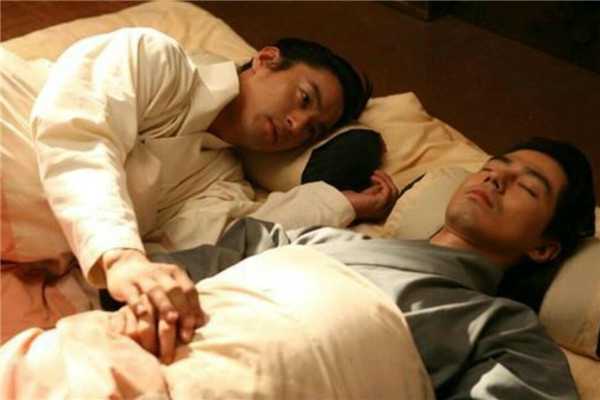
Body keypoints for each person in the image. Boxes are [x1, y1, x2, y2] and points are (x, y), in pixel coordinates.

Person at [0, 28, 399, 343]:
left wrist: (339, 203)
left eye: (312, 130)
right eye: (304, 99)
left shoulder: (220, 181)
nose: (297, 123)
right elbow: (78, 133)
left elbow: (240, 241)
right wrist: (119, 257)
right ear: (266, 60)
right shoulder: (156, 59)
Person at [120, 137, 595, 397]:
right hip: (132, 346)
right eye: (492, 166)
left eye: (527, 187)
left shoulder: (503, 329)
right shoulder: (318, 239)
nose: (496, 178)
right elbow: (173, 271)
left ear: (543, 248)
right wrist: (136, 282)